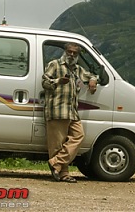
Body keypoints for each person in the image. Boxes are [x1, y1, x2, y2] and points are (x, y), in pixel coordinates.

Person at [42, 42, 97, 183]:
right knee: (57, 144)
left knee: (79, 136)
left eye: (75, 53)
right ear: (64, 51)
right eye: (69, 52)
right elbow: (44, 82)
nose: (71, 55)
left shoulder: (77, 69)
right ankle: (63, 173)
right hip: (57, 110)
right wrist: (58, 81)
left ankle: (56, 162)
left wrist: (92, 80)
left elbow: (91, 75)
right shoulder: (55, 65)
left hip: (72, 111)